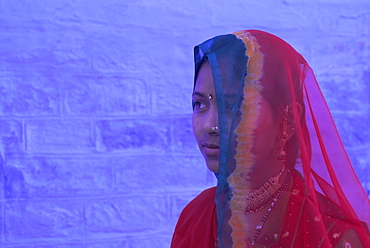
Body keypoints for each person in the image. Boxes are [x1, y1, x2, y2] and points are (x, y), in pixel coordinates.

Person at [171, 30, 370, 248]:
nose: (209, 125)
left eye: (233, 106)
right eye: (200, 104)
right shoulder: (194, 216)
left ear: (289, 119)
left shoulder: (333, 234)